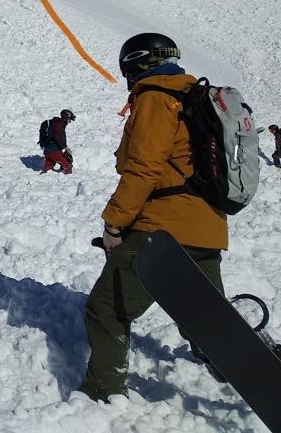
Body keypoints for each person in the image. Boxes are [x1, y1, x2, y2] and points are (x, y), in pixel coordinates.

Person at [78, 33, 228, 402]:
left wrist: (115, 223)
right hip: (207, 226)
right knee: (206, 317)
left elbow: (143, 169)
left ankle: (102, 392)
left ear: (134, 65)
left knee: (106, 308)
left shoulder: (157, 97)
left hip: (162, 229)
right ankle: (239, 364)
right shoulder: (194, 97)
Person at [40, 109, 75, 173]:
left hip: (47, 150)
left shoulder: (56, 123)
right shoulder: (59, 124)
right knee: (68, 165)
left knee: (48, 169)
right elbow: (57, 136)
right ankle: (70, 179)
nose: (69, 122)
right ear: (66, 118)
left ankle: (45, 177)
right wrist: (65, 147)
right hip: (53, 150)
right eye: (70, 119)